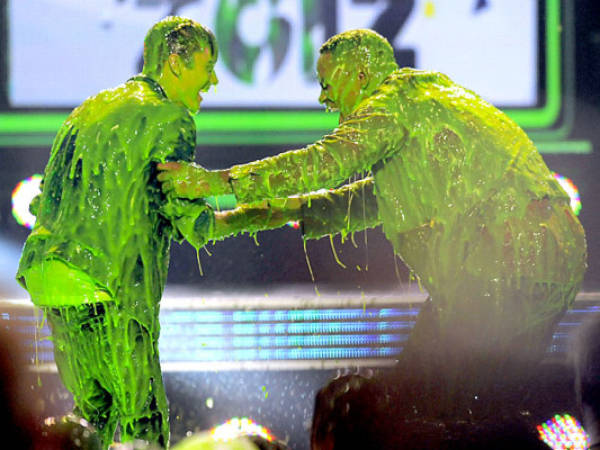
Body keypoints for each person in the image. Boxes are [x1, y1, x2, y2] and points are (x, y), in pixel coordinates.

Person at [159, 29, 587, 414]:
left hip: (505, 260)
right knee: (480, 403)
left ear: (359, 75)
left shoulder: (393, 104)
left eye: (327, 84)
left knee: (428, 401)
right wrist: (234, 220)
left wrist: (214, 181)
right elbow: (358, 204)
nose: (324, 99)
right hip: (543, 260)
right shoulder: (425, 108)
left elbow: (325, 162)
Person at [16, 16, 218, 448]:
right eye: (208, 65)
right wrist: (261, 212)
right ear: (176, 62)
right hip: (110, 286)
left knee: (91, 418)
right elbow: (186, 214)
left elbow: (44, 201)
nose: (214, 80)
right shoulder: (172, 118)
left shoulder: (87, 109)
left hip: (51, 278)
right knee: (142, 419)